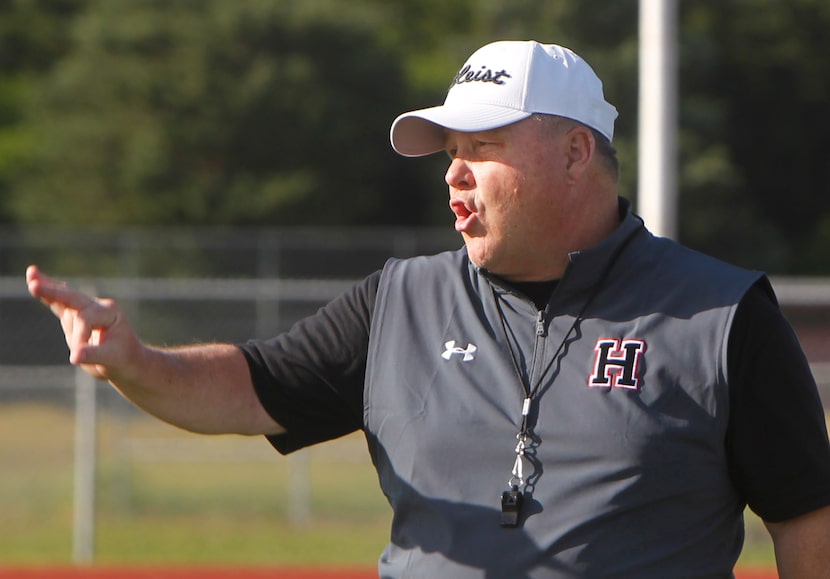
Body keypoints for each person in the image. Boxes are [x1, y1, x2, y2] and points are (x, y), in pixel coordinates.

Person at [26, 40, 830, 578]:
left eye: (480, 149)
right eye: (449, 154)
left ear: (576, 153)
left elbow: (807, 524)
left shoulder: (721, 315)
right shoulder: (400, 301)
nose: (455, 175)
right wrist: (137, 361)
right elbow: (248, 388)